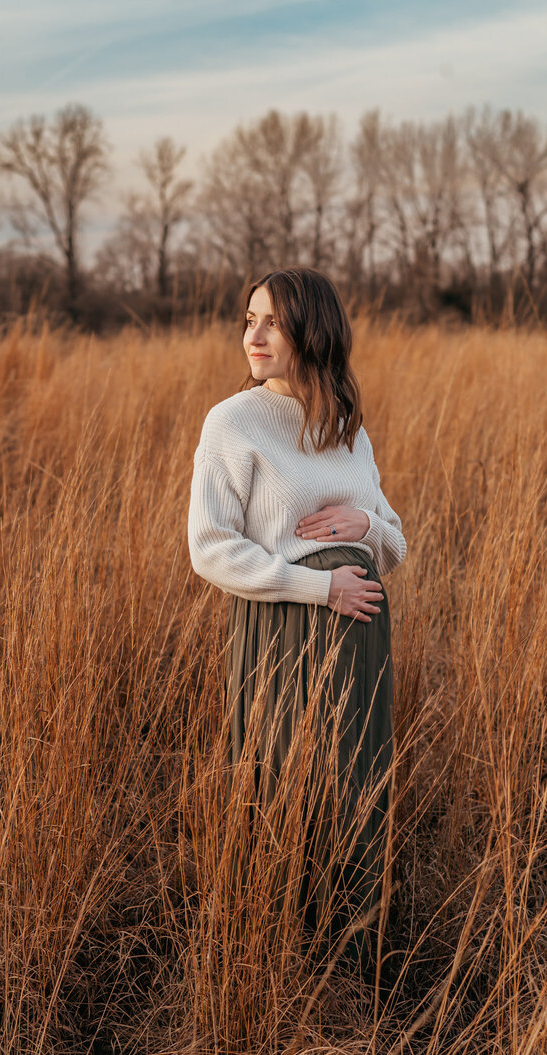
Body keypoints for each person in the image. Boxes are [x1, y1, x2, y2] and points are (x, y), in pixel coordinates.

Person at [186, 266, 408, 978]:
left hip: (361, 637)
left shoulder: (344, 423)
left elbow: (396, 542)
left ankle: (356, 956)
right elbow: (210, 547)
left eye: (271, 322)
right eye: (248, 319)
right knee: (282, 782)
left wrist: (365, 521)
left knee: (355, 786)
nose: (253, 335)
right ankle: (279, 954)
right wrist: (316, 588)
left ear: (311, 330)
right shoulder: (232, 421)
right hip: (282, 630)